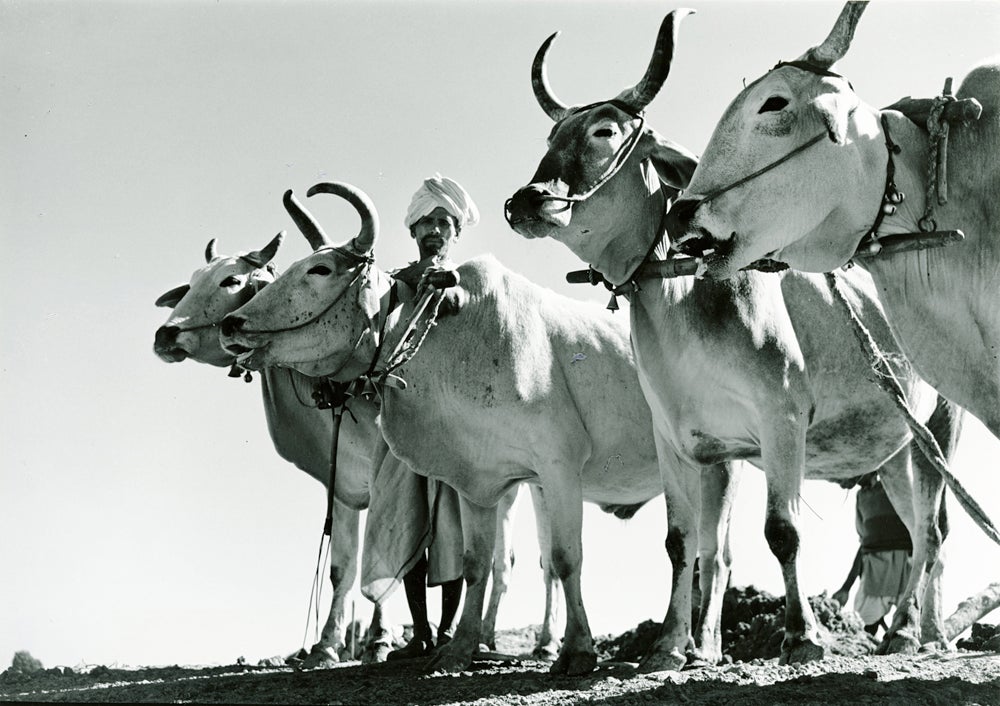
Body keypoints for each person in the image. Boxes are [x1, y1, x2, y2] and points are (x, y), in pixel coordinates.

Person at [386, 174, 480, 660]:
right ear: (413, 231)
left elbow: (465, 311)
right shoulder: (394, 284)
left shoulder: (466, 281)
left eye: (444, 222)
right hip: (403, 419)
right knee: (410, 527)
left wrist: (451, 291)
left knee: (452, 530)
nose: (434, 230)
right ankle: (419, 632)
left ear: (455, 231)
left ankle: (447, 633)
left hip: (454, 424)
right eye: (426, 222)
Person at [832, 472, 913, 636]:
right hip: (874, 567)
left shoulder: (895, 485)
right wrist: (845, 588)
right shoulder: (861, 497)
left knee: (910, 621)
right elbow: (864, 543)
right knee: (864, 625)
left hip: (906, 561)